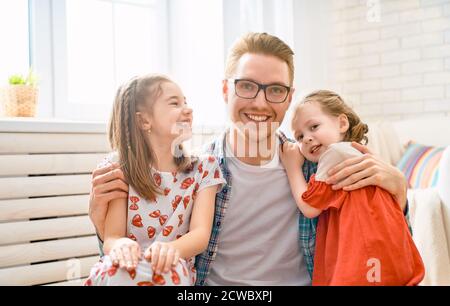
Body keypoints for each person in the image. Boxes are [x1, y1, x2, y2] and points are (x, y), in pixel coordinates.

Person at [89, 33, 409, 286]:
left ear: (289, 99)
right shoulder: (194, 172)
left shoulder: (320, 166)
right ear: (225, 90)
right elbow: (144, 257)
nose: (260, 102)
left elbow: (378, 238)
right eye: (246, 86)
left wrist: (401, 195)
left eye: (275, 91)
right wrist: (102, 228)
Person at [85, 74, 226, 286]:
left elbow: (200, 234)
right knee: (113, 273)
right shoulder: (120, 167)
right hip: (127, 266)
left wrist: (171, 249)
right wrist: (121, 246)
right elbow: (112, 237)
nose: (188, 109)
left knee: (167, 277)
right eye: (175, 103)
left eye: (185, 102)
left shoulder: (204, 169)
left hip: (172, 266)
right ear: (144, 120)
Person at [280, 90, 424, 285]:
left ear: (342, 123)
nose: (306, 139)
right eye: (299, 137)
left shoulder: (334, 153)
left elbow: (309, 206)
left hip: (363, 256)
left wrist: (292, 168)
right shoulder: (355, 153)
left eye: (314, 127)